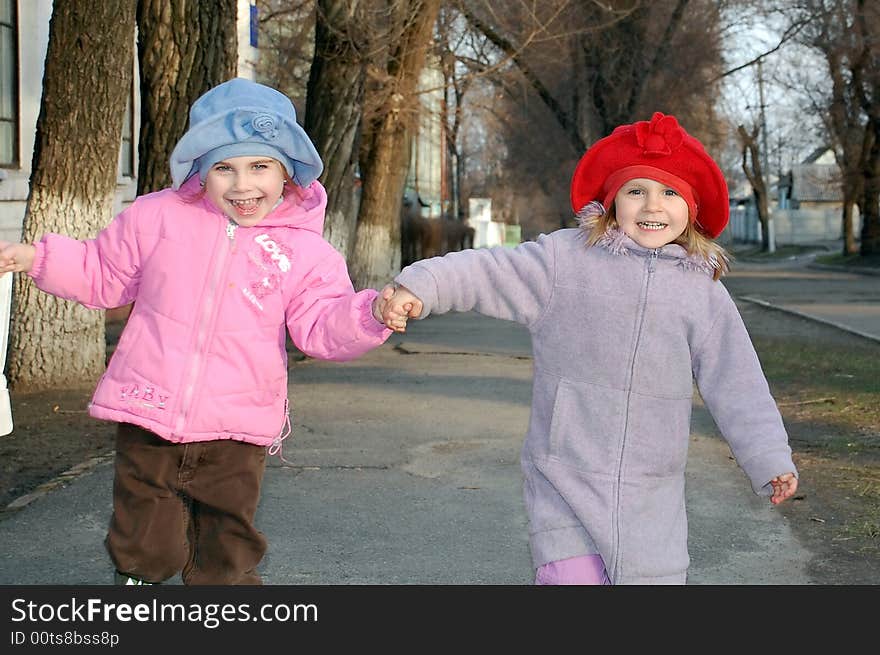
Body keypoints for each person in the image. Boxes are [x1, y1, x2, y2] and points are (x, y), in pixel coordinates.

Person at [0, 78, 397, 585]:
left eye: (260, 166)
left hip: (238, 424)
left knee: (226, 550)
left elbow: (322, 323)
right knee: (146, 543)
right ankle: (138, 585)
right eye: (224, 168)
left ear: (287, 173)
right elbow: (101, 272)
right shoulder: (157, 218)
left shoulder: (304, 252)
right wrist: (35, 258)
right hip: (148, 408)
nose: (242, 184)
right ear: (201, 172)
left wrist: (370, 315)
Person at [377, 112, 798, 585]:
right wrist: (422, 286)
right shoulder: (565, 261)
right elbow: (489, 271)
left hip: (651, 494)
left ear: (692, 208)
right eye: (636, 191)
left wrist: (769, 458)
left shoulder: (701, 290)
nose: (652, 206)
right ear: (612, 199)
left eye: (670, 192)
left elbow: (737, 381)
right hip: (565, 477)